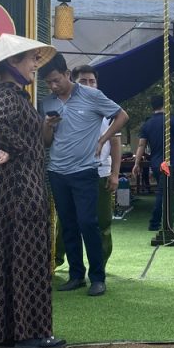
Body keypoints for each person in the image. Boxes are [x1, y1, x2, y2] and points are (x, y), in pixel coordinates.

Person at [0, 34, 66, 348]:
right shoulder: (7, 93)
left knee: (11, 255)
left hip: (15, 186)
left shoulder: (8, 93)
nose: (35, 66)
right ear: (12, 62)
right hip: (20, 189)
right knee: (28, 256)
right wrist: (20, 150)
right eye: (31, 60)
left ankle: (8, 332)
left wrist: (15, 148)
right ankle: (29, 334)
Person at [39, 53, 128, 296]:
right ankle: (76, 275)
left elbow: (122, 115)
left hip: (85, 171)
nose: (53, 86)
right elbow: (46, 142)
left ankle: (97, 277)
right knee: (68, 225)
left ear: (67, 74)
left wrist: (103, 139)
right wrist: (47, 125)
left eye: (56, 80)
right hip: (57, 171)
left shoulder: (91, 95)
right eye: (48, 82)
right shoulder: (48, 102)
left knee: (88, 223)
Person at [71, 65, 122, 268]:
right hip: (71, 173)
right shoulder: (64, 106)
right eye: (83, 81)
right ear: (73, 82)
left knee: (102, 222)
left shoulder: (108, 108)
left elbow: (116, 143)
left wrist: (115, 174)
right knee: (69, 222)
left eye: (92, 81)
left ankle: (99, 266)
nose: (89, 85)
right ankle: (60, 263)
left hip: (101, 173)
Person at [131, 94, 174, 230]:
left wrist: (136, 163)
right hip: (169, 162)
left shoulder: (147, 124)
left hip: (155, 163)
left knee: (165, 191)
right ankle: (154, 222)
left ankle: (169, 217)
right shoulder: (171, 120)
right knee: (163, 192)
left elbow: (141, 145)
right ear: (166, 104)